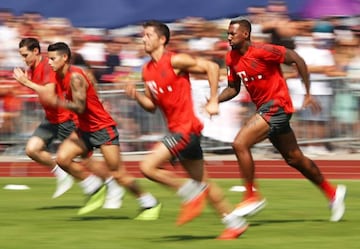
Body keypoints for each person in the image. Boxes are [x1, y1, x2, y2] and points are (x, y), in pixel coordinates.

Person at [125, 20, 248, 239]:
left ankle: (190, 194)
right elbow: (152, 107)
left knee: (147, 167)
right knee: (205, 183)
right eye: (142, 35)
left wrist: (213, 100)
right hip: (179, 131)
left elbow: (211, 67)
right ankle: (234, 222)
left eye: (147, 35)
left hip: (186, 130)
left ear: (161, 39)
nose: (142, 39)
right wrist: (137, 96)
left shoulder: (175, 60)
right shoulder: (146, 71)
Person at [218, 19, 346, 222]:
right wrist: (213, 100)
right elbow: (233, 88)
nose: (229, 37)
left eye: (233, 33)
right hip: (266, 110)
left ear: (245, 34)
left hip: (278, 106)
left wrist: (307, 93)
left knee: (240, 143)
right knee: (294, 159)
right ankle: (333, 193)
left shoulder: (263, 50)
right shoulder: (231, 58)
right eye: (228, 33)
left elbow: (297, 59)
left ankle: (251, 196)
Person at [39, 41, 161, 218]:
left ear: (64, 58)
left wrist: (57, 102)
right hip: (84, 129)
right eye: (47, 59)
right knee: (62, 159)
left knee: (118, 174)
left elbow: (80, 107)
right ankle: (94, 187)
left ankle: (149, 202)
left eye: (52, 59)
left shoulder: (75, 77)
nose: (49, 63)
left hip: (102, 129)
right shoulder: (59, 75)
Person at [12, 37, 126, 211]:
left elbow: (49, 94)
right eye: (21, 56)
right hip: (51, 119)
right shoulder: (33, 68)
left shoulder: (47, 67)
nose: (23, 59)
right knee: (32, 149)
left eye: (25, 55)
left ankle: (111, 185)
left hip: (66, 119)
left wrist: (26, 83)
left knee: (87, 161)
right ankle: (63, 173)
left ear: (36, 51)